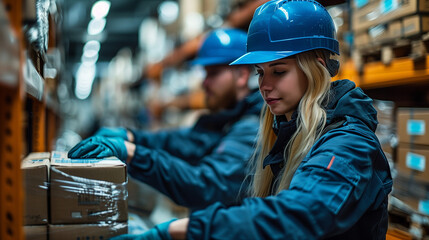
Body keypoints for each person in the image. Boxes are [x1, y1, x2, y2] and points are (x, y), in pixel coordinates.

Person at [110, 0, 393, 239]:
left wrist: (187, 229)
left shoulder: (349, 144)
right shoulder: (287, 129)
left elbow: (301, 213)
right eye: (260, 72)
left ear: (316, 68)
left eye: (278, 71)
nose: (264, 85)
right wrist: (131, 141)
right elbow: (189, 143)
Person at [68, 28, 263, 210]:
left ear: (242, 75)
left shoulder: (252, 126)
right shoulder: (226, 119)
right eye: (204, 73)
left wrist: (132, 154)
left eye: (213, 73)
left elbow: (208, 185)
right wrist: (131, 137)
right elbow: (185, 142)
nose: (204, 82)